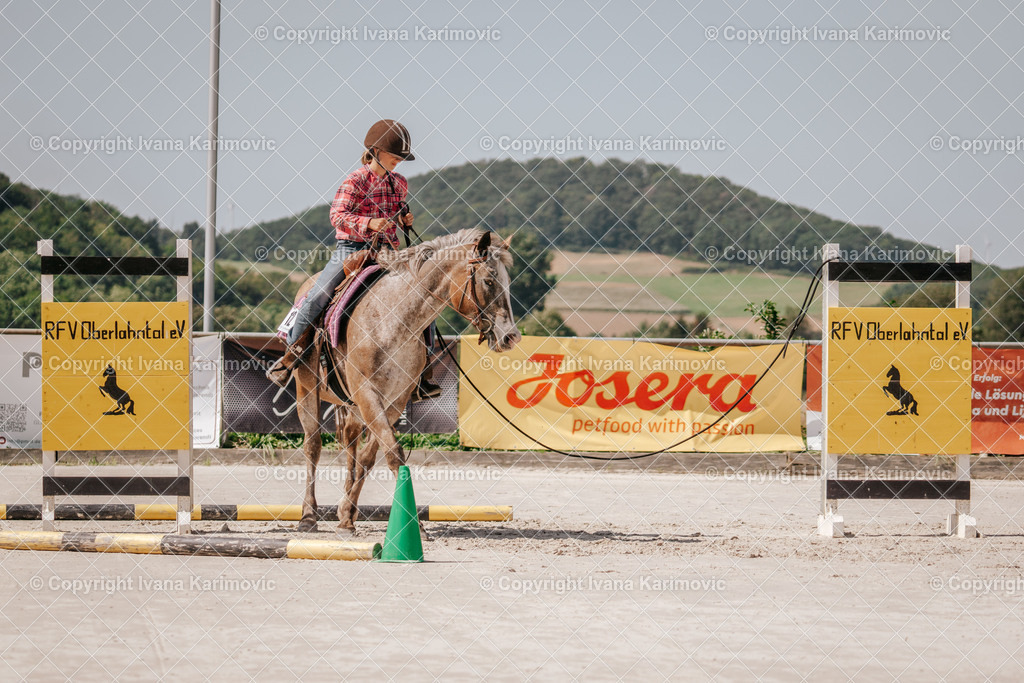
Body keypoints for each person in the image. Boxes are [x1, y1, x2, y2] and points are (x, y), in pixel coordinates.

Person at [266, 119, 441, 400]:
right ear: (375, 151)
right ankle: (290, 356)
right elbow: (337, 215)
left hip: (387, 253)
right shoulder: (355, 180)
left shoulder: (400, 183)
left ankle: (423, 371)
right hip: (352, 249)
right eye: (395, 155)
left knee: (422, 297)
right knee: (319, 294)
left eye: (401, 158)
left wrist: (405, 220)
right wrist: (370, 223)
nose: (399, 161)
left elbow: (396, 213)